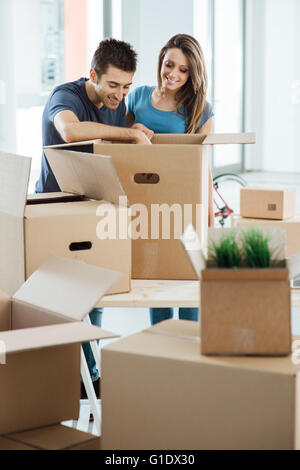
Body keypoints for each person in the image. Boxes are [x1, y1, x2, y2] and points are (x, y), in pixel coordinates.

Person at [35, 38, 151, 398]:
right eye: (113, 85)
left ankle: (91, 375)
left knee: (95, 294)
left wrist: (139, 132)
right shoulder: (66, 96)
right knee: (62, 299)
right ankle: (70, 378)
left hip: (94, 208)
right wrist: (130, 133)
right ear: (93, 75)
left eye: (127, 86)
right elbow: (70, 131)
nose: (120, 94)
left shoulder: (118, 104)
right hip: (56, 211)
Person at [127, 33, 214, 326]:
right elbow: (123, 148)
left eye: (183, 69)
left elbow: (205, 165)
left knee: (190, 276)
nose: (173, 74)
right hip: (148, 202)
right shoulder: (138, 97)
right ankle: (161, 344)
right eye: (169, 64)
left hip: (186, 200)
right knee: (157, 277)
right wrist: (135, 128)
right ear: (161, 60)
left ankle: (188, 346)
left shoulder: (201, 108)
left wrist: (209, 214)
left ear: (192, 74)